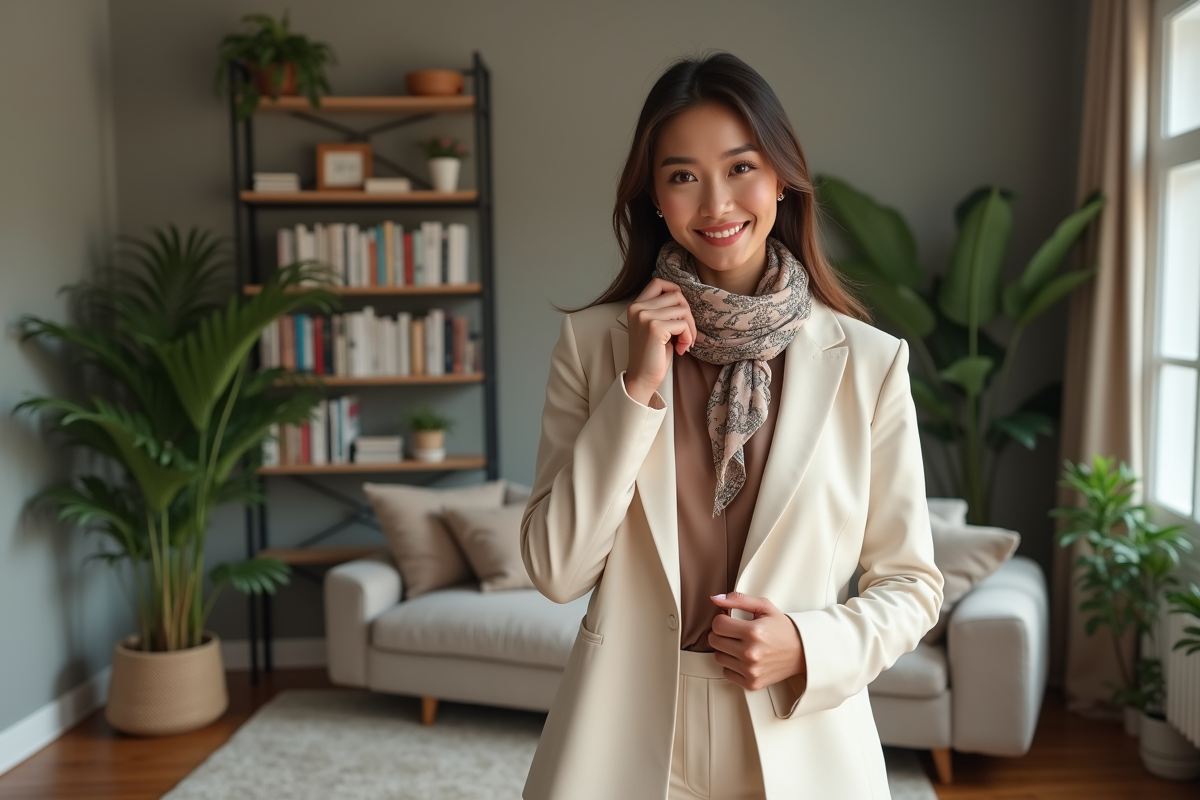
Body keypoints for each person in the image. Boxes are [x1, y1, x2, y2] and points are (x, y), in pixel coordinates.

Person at [519, 51, 944, 800]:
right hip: (622, 740)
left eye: (741, 167)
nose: (716, 203)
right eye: (682, 175)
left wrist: (808, 645)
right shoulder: (595, 346)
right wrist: (637, 388)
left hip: (800, 734)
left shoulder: (870, 363)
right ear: (653, 196)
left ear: (782, 177)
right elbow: (557, 570)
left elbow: (910, 583)